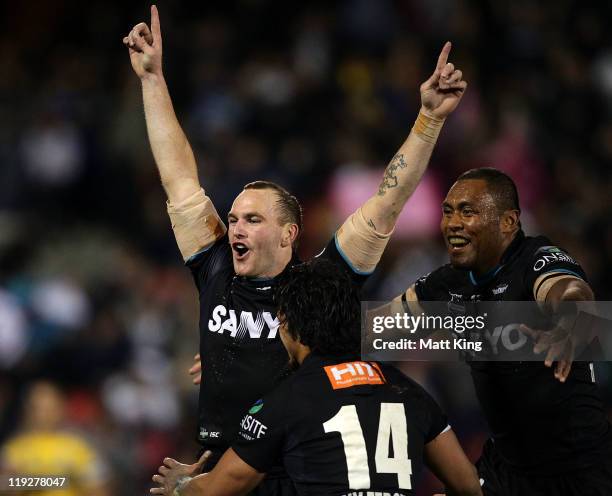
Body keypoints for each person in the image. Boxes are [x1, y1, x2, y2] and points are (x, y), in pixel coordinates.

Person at [122, 3, 467, 489]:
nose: (235, 227)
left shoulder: (319, 286)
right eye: (234, 218)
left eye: (253, 219)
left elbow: (386, 204)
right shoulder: (217, 267)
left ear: (288, 234)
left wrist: (429, 119)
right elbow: (179, 180)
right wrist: (153, 78)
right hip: (224, 468)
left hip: (299, 471)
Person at [150, 258, 483, 496]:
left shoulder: (283, 402)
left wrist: (179, 485)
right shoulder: (409, 391)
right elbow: (467, 484)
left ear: (290, 325)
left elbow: (216, 489)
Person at [391, 167, 612, 495]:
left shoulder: (537, 260)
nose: (452, 223)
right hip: (505, 472)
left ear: (508, 222)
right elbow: (377, 330)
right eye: (448, 212)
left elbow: (572, 292)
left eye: (468, 212)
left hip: (578, 472)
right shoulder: (447, 283)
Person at [0, 381, 111, 496]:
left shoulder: (79, 447)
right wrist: (57, 481)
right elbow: (5, 485)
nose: (46, 414)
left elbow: (99, 487)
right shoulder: (13, 449)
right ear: (28, 410)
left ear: (61, 408)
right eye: (40, 408)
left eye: (51, 407)